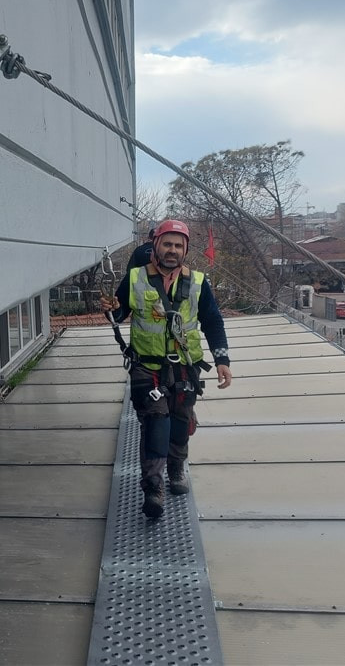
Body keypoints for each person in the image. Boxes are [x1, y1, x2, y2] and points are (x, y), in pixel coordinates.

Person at [102, 219, 232, 518]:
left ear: (185, 250)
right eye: (167, 244)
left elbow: (213, 322)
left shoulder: (198, 282)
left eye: (178, 245)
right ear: (155, 246)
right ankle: (153, 488)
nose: (172, 250)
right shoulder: (136, 278)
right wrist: (112, 309)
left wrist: (222, 360)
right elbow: (120, 312)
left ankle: (175, 468)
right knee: (155, 424)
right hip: (147, 368)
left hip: (186, 368)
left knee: (178, 423)